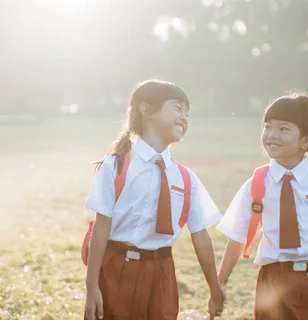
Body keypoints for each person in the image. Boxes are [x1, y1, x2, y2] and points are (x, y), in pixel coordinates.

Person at [83, 79, 225, 320]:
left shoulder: (185, 177)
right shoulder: (117, 166)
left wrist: (215, 288)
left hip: (162, 274)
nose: (184, 117)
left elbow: (200, 236)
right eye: (178, 108)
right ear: (147, 110)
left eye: (188, 113)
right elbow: (101, 226)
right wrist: (91, 286)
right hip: (117, 269)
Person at [216, 92, 308, 319]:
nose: (271, 135)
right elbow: (236, 237)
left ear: (306, 141)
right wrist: (220, 284)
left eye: (283, 128)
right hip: (272, 282)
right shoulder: (256, 183)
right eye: (267, 126)